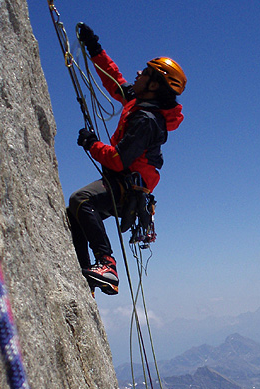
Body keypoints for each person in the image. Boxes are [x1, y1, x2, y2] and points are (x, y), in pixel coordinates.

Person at [67, 23, 186, 295]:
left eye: (144, 73)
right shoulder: (139, 104)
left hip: (128, 185)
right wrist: (95, 49)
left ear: (154, 85)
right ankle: (87, 271)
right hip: (125, 183)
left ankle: (107, 265)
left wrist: (91, 144)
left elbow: (119, 161)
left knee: (81, 200)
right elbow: (114, 80)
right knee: (74, 213)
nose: (138, 74)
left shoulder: (146, 120)